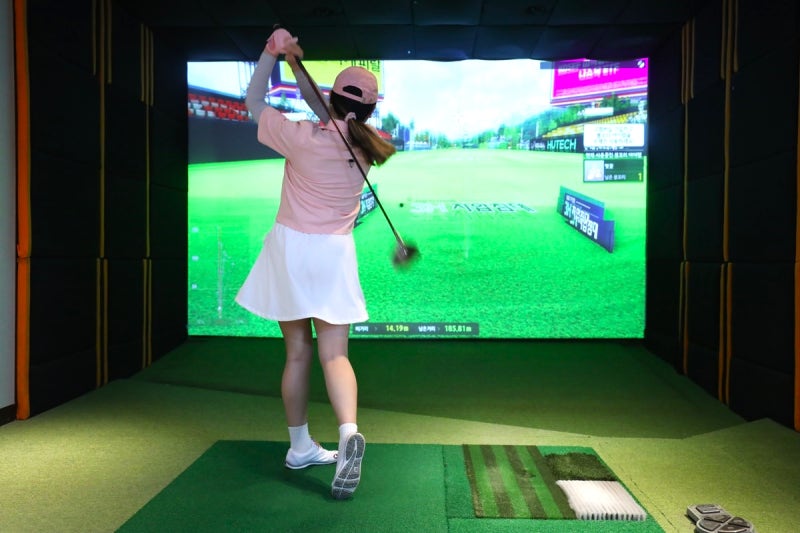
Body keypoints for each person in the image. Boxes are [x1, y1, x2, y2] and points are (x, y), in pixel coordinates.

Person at [234, 28, 396, 500]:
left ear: (331, 99)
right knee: (335, 355)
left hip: (290, 250)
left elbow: (252, 100)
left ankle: (300, 445)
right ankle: (348, 434)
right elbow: (332, 112)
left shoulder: (300, 136)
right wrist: (294, 61)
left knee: (297, 353)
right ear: (371, 109)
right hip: (333, 255)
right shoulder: (369, 146)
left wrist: (272, 53)